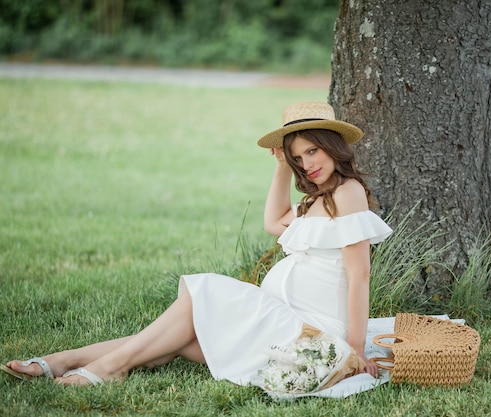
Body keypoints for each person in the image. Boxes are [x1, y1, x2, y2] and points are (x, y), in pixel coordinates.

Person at [2, 101, 392, 392]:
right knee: (181, 334)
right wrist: (278, 167)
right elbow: (273, 223)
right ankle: (69, 361)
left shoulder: (348, 192)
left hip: (311, 329)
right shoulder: (318, 197)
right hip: (280, 317)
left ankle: (103, 366)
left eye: (312, 151)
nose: (306, 164)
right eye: (297, 158)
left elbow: (359, 275)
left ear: (332, 146)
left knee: (204, 294)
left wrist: (354, 349)